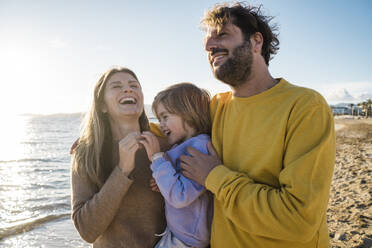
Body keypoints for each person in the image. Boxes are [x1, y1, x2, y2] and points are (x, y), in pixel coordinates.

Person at [179, 2, 336, 248]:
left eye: (222, 35)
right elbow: (169, 129)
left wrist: (214, 176)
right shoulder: (216, 107)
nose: (210, 47)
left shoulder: (305, 106)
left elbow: (297, 219)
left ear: (256, 42)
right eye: (207, 45)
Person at [70, 67, 168, 248]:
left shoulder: (166, 147)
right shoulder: (86, 154)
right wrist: (122, 171)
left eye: (134, 85)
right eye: (116, 86)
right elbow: (86, 231)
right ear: (102, 105)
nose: (128, 89)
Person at [139, 83, 213, 248]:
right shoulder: (182, 146)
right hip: (179, 234)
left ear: (187, 115)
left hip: (187, 241)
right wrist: (164, 183)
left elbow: (180, 196)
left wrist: (156, 158)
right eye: (159, 119)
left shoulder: (199, 148)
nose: (161, 125)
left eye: (165, 117)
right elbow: (182, 186)